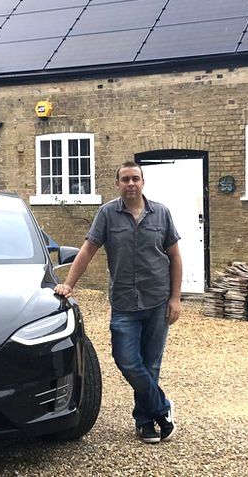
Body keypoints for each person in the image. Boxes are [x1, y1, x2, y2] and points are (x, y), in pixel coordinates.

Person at [54, 161, 182, 444]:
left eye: (135, 178)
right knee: (126, 361)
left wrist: (175, 298)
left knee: (150, 364)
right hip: (124, 303)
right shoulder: (107, 214)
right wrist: (68, 284)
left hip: (157, 301)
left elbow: (174, 256)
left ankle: (145, 422)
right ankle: (162, 407)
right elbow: (88, 250)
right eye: (125, 179)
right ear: (117, 184)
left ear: (143, 182)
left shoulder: (161, 213)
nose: (131, 184)